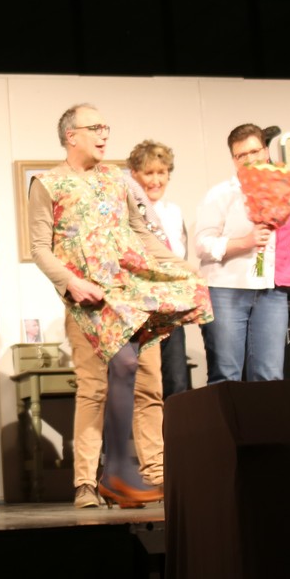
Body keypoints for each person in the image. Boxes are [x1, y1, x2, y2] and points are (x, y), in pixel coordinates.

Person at [30, 108, 210, 508]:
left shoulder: (117, 179)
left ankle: (155, 474)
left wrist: (181, 269)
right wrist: (71, 282)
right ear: (71, 136)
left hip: (133, 299)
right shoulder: (47, 183)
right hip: (88, 304)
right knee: (94, 390)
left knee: (149, 387)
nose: (104, 134)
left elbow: (140, 233)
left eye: (105, 127)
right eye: (95, 128)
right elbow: (40, 248)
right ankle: (86, 483)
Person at [194, 123, 290, 383]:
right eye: (241, 155)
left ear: (266, 151)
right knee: (226, 374)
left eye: (254, 152)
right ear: (234, 160)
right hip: (226, 289)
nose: (249, 160)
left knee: (270, 376)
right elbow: (202, 244)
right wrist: (245, 242)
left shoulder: (284, 191)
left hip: (271, 291)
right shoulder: (220, 194)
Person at [127, 139, 193, 397]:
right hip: (139, 307)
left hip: (171, 306)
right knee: (144, 383)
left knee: (176, 379)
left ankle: (175, 426)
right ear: (134, 175)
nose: (156, 180)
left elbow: (181, 256)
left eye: (161, 172)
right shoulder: (125, 212)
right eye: (149, 173)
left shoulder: (173, 212)